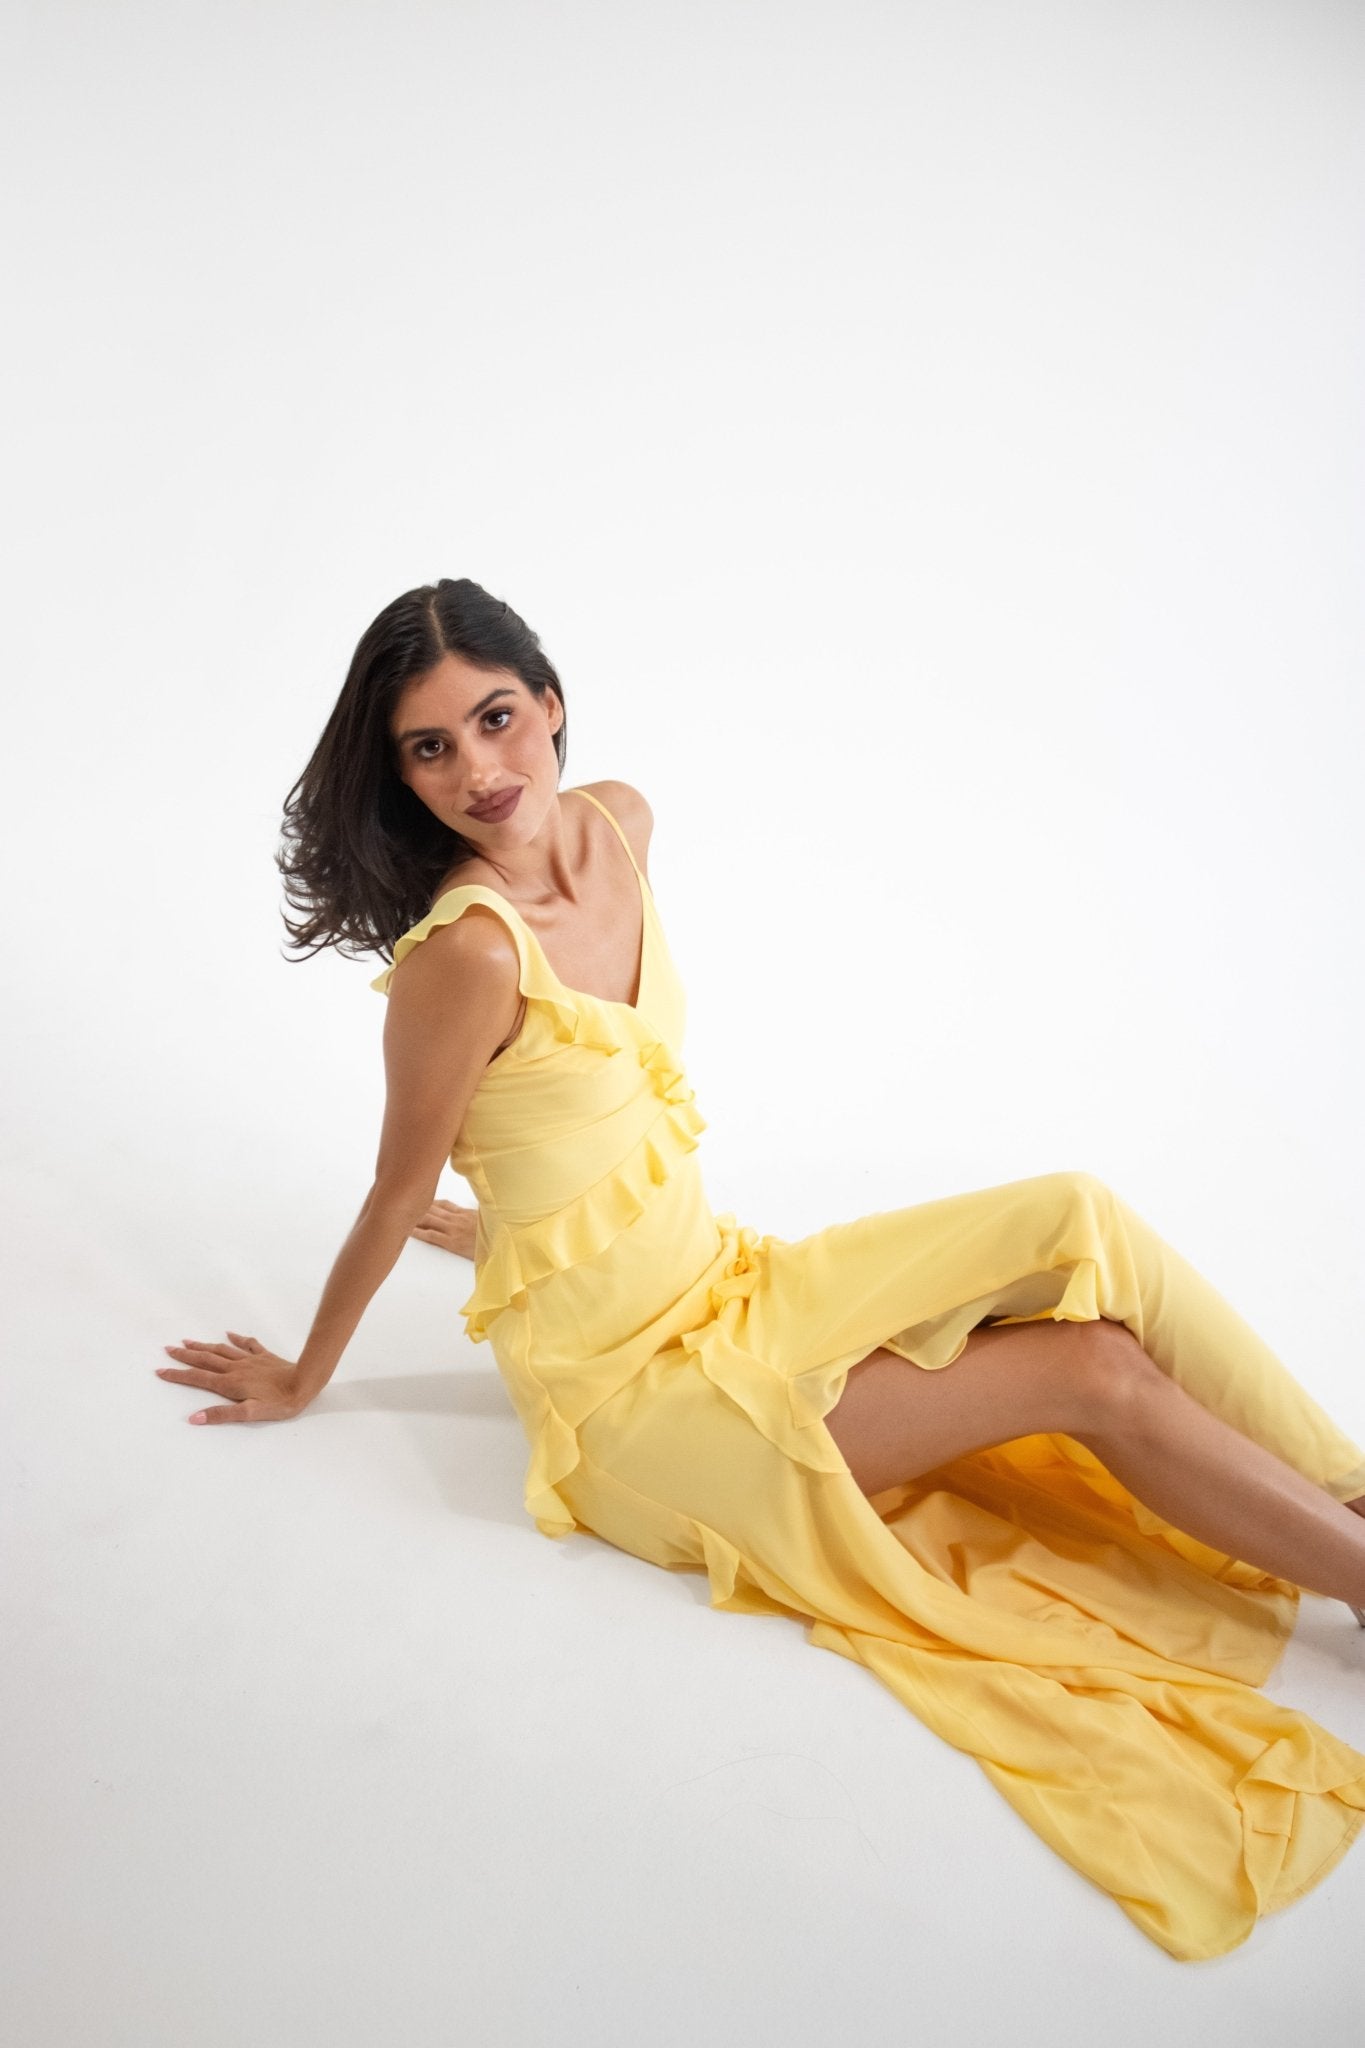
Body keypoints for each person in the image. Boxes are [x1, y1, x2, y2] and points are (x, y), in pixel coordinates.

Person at [157, 576, 1365, 1960]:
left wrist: (512, 1228)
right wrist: (304, 1375)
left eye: (494, 719)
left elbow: (586, 1110)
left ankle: (1347, 1495)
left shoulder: (621, 824)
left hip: (730, 1283)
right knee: (1088, 1366)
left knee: (1074, 1214)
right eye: (429, 748)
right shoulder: (468, 957)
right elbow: (391, 1191)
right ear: (402, 773)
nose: (477, 770)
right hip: (631, 1403)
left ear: (550, 702)